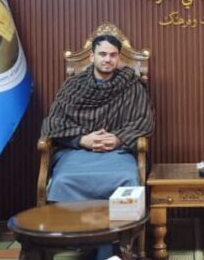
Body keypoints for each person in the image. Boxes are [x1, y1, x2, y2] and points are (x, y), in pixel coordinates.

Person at [41, 34, 155, 202]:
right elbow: (53, 123)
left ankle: (124, 220)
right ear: (92, 57)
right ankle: (69, 219)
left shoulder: (132, 85)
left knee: (128, 178)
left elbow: (144, 121)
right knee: (62, 180)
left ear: (118, 57)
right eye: (102, 54)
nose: (108, 59)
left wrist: (118, 139)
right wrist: (82, 139)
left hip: (117, 153)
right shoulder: (73, 85)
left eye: (113, 55)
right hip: (76, 153)